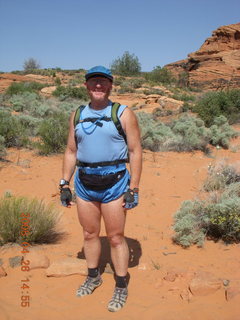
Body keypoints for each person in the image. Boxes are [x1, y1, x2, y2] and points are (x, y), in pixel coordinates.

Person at [59, 65, 142, 312]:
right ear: (86, 85)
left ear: (110, 86)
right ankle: (93, 275)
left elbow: (135, 151)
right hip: (84, 183)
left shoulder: (124, 113)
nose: (98, 86)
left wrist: (134, 188)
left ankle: (120, 284)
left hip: (115, 183)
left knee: (116, 237)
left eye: (103, 82)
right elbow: (71, 151)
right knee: (89, 234)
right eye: (93, 81)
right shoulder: (77, 114)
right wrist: (64, 182)